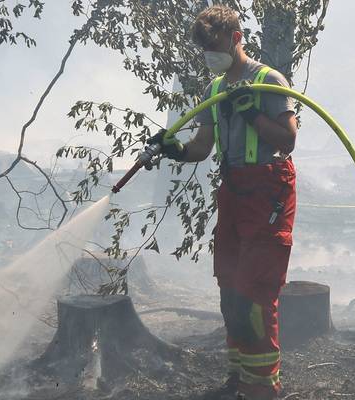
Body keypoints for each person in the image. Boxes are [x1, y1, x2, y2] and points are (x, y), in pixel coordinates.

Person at [146, 5, 298, 399]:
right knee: (230, 287)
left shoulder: (269, 80)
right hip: (232, 192)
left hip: (268, 192)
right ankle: (240, 378)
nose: (209, 55)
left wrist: (251, 116)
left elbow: (287, 141)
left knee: (255, 292)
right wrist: (173, 149)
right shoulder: (214, 89)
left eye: (214, 46)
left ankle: (264, 388)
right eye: (203, 50)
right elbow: (201, 147)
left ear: (235, 39)